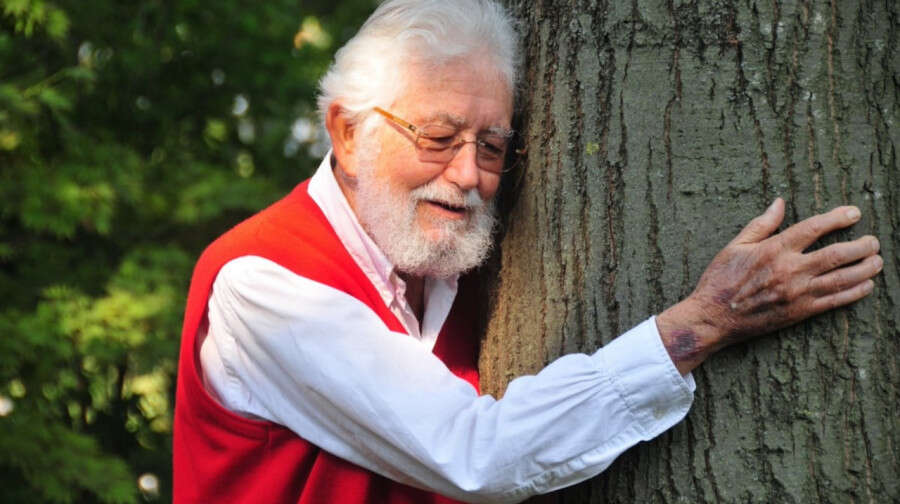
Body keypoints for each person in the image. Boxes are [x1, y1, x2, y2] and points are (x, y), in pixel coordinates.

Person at [171, 1, 883, 502]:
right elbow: (474, 452)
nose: (468, 176)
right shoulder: (265, 284)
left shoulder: (455, 262)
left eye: (491, 147)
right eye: (437, 138)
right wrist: (703, 323)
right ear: (349, 134)